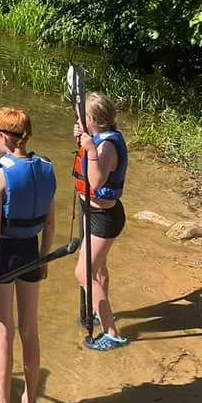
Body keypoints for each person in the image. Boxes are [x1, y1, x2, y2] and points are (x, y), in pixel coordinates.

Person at [0, 107, 56, 403]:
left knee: (3, 331)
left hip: (5, 256)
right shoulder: (47, 168)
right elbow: (50, 223)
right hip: (33, 254)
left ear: (3, 136)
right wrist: (45, 259)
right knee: (30, 330)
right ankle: (31, 402)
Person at [73, 93, 129, 351]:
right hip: (95, 212)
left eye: (81, 116)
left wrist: (91, 149)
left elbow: (95, 182)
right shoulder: (99, 140)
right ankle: (99, 311)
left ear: (92, 119)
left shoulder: (105, 147)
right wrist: (84, 143)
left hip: (103, 218)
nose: (77, 119)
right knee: (98, 270)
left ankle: (111, 332)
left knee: (82, 273)